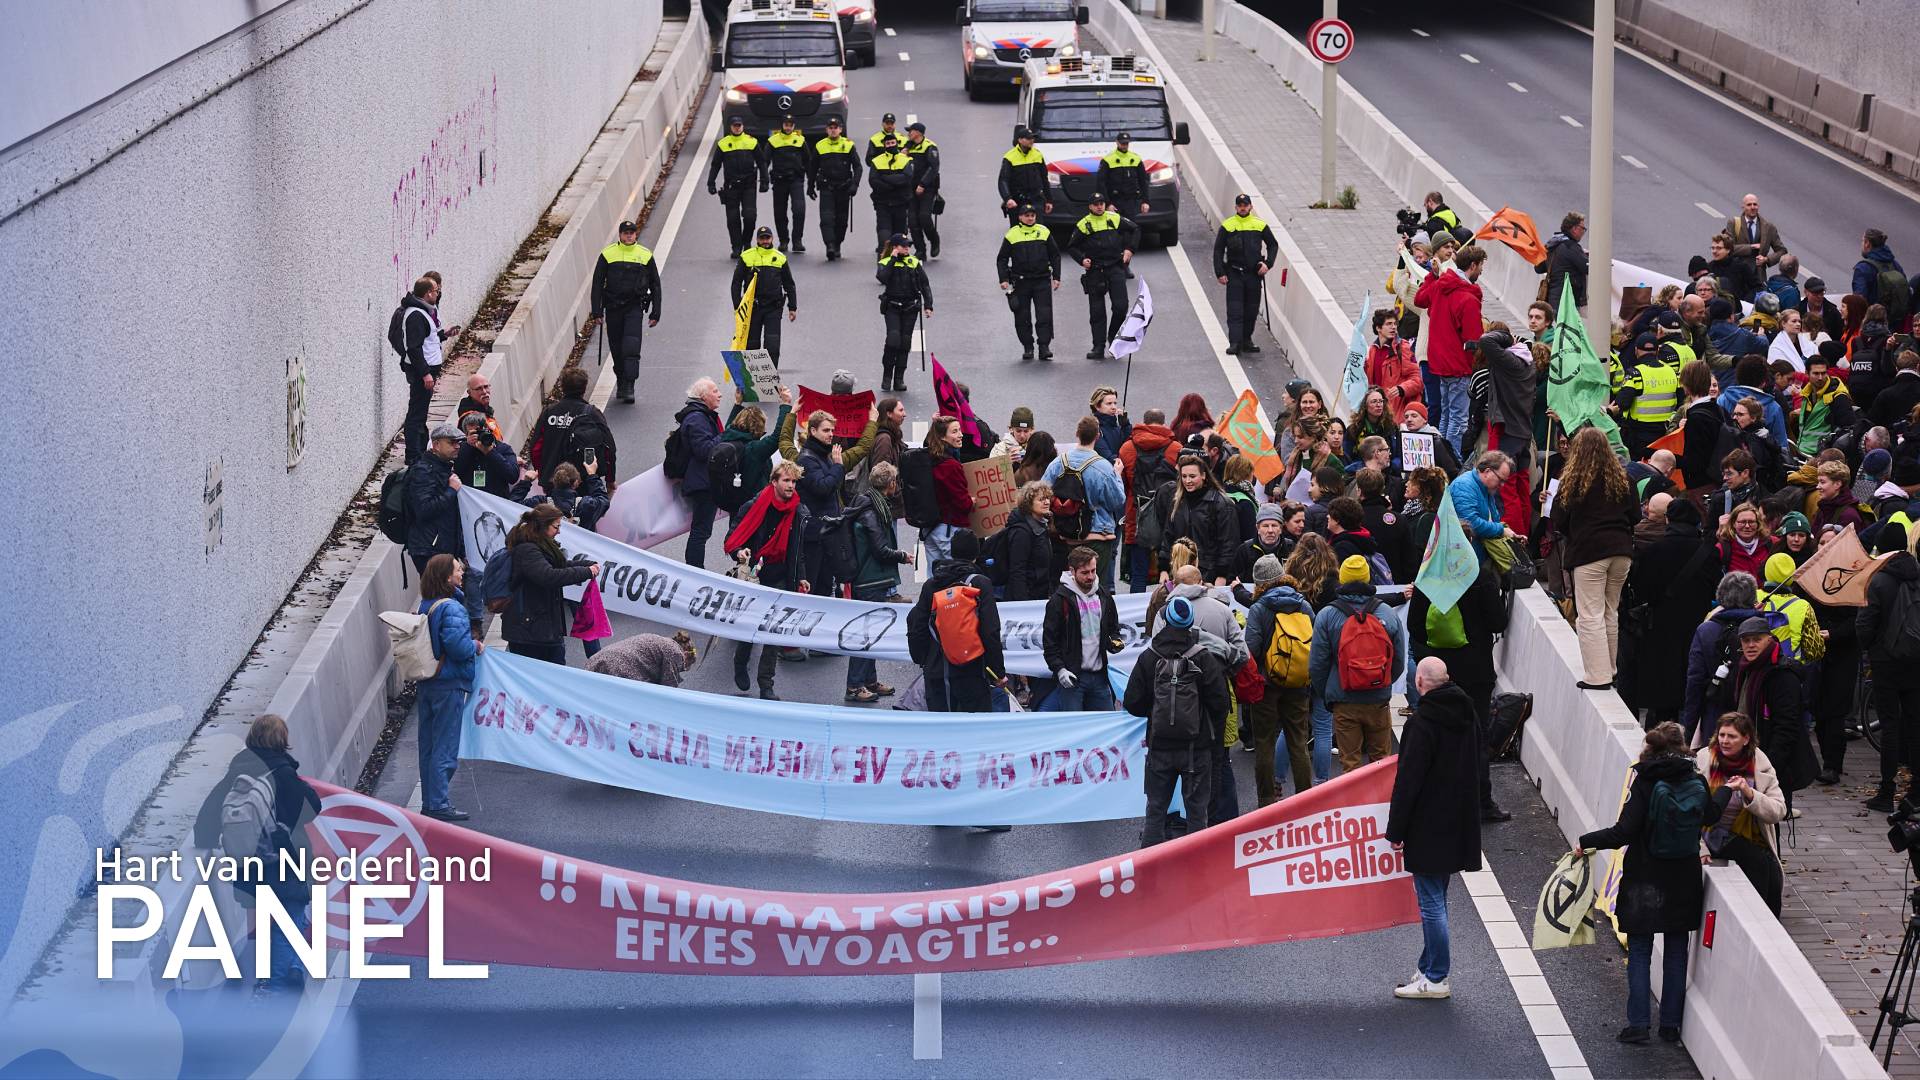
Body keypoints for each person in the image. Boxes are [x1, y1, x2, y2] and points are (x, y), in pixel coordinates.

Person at [1573, 722, 1709, 1046]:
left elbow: (1623, 832)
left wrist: (1586, 841)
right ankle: (1671, 1026)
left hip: (1645, 878)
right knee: (1676, 952)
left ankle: (1638, 1024)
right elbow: (1712, 813)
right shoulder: (1696, 780)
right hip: (1684, 878)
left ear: (1650, 748)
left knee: (1640, 951)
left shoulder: (1646, 781)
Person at [191, 713, 322, 991]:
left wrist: (207, 840)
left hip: (247, 863)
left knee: (264, 918)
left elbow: (209, 814)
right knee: (291, 913)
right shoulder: (284, 774)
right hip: (282, 860)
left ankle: (289, 967)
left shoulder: (237, 771)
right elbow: (312, 810)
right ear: (282, 740)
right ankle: (275, 984)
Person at [1386, 658, 1484, 1001]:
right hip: (1457, 820)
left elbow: (1408, 782)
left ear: (1419, 681)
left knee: (1431, 903)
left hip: (1427, 824)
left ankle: (1437, 976)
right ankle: (1427, 966)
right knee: (1437, 897)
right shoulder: (1467, 713)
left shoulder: (1422, 723)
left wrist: (1395, 830)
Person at [1409, 554, 1511, 821]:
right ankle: (1482, 804)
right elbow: (1498, 623)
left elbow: (1416, 628)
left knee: (1434, 738)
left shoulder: (1427, 579)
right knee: (1476, 738)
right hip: (1476, 670)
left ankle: (1437, 802)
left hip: (1439, 672)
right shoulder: (1481, 578)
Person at [1124, 596, 1229, 846]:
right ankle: (1196, 869)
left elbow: (1131, 701)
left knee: (1156, 811)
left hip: (1160, 747)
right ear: (1191, 624)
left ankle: (1149, 867)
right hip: (1196, 747)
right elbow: (1221, 703)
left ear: (1165, 620)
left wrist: (1156, 713)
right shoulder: (1203, 657)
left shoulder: (1149, 657)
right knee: (1196, 813)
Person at [1550, 428, 1639, 690]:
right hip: (1621, 552)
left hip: (1589, 553)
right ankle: (1610, 669)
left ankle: (1597, 675)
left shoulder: (1573, 481)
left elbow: (1559, 519)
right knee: (1610, 610)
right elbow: (1636, 516)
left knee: (1589, 614)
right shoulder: (1624, 478)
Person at [1619, 500, 1719, 726]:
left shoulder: (1654, 551)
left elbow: (1642, 589)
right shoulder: (1708, 552)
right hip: (1697, 626)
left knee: (1663, 689)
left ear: (1668, 520)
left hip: (1660, 629)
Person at [1308, 555, 1406, 774]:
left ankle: (1356, 807)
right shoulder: (1387, 613)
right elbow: (1398, 659)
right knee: (1380, 761)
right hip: (1378, 699)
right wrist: (1383, 682)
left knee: (1350, 764)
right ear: (1368, 578)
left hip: (1344, 700)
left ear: (1342, 579)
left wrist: (1328, 693)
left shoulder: (1327, 615)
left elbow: (1317, 664)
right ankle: (1382, 806)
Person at [725, 460, 812, 699]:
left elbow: (798, 549)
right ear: (774, 482)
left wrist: (801, 577)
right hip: (755, 576)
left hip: (781, 576)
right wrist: (739, 551)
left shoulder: (798, 511)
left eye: (794, 481)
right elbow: (734, 534)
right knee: (751, 627)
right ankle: (741, 662)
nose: (791, 486)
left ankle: (766, 685)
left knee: (774, 632)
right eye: (786, 480)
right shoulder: (754, 506)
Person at [907, 528, 1008, 713]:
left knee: (943, 732)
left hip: (938, 671)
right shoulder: (980, 583)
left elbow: (917, 625)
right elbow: (990, 631)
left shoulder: (932, 584)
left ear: (952, 552)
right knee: (975, 731)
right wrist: (998, 672)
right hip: (973, 671)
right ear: (976, 554)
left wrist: (924, 660)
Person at [1695, 711, 1787, 914]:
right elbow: (1686, 813)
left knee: (1772, 877)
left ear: (1746, 739)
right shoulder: (1703, 761)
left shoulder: (1760, 763)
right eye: (1722, 735)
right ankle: (1757, 918)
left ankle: (1768, 922)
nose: (1725, 741)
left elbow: (1778, 811)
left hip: (1749, 834)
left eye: (1732, 736)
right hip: (1710, 833)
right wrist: (1700, 848)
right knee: (1757, 862)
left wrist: (1749, 793)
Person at [1860, 522, 1920, 811]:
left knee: (1890, 725)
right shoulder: (1918, 575)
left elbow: (1865, 624)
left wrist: (1871, 646)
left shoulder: (1879, 580)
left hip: (1886, 661)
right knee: (1914, 722)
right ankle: (1917, 789)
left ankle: (1887, 791)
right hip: (1916, 659)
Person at [1243, 563, 1315, 802]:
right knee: (1298, 742)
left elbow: (1251, 648)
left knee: (1264, 743)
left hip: (1266, 685)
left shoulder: (1259, 608)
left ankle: (1266, 802)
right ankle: (1304, 800)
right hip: (1298, 683)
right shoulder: (1303, 605)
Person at [843, 461, 913, 702]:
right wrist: (902, 556)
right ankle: (854, 686)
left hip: (873, 578)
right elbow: (880, 550)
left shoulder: (872, 504)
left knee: (871, 633)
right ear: (891, 484)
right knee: (866, 634)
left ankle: (869, 680)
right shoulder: (872, 512)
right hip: (869, 579)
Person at [502, 504, 598, 666]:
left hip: (540, 627)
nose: (559, 531)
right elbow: (549, 575)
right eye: (556, 527)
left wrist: (586, 565)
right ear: (542, 526)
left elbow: (558, 565)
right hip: (530, 632)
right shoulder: (528, 550)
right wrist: (586, 572)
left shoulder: (538, 547)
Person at [1415, 244, 1488, 455]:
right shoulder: (1468, 298)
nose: (1481, 271)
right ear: (1472, 265)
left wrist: (1433, 276)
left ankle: (1441, 457)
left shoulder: (1441, 285)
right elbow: (1473, 339)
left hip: (1439, 363)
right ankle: (1451, 462)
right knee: (1458, 419)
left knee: (1447, 415)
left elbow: (1420, 299)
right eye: (1481, 266)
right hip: (1458, 366)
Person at [1044, 416, 1128, 588]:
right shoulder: (1104, 467)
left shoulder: (1059, 462)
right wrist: (1117, 475)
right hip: (1097, 535)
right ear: (1098, 436)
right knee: (1095, 589)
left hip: (1066, 534)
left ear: (1077, 434)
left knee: (1070, 587)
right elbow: (1117, 501)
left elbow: (1043, 491)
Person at [1042, 545, 1124, 711]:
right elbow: (1049, 642)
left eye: (1093, 571)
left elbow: (1113, 628)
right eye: (1085, 573)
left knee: (1105, 729)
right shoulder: (1059, 600)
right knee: (1074, 730)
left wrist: (1114, 642)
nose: (1091, 577)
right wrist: (1060, 670)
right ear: (1072, 571)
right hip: (1073, 678)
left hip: (1100, 676)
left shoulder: (1104, 595)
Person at [590, 219, 663, 404]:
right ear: (620, 235)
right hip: (613, 308)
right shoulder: (607, 254)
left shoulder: (645, 255)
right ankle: (621, 380)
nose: (629, 235)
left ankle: (629, 385)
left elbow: (655, 285)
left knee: (631, 347)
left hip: (634, 308)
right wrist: (596, 311)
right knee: (616, 348)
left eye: (632, 232)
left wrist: (656, 312)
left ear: (635, 234)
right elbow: (597, 284)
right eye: (625, 233)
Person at [1065, 192, 1140, 359]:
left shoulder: (1114, 218)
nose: (1099, 206)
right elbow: (1072, 247)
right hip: (1095, 272)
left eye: (1102, 203)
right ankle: (1098, 346)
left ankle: (1113, 338)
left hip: (1115, 268)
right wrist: (1082, 260)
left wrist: (1129, 249)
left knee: (1121, 306)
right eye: (1096, 204)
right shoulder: (1083, 224)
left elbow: (1135, 229)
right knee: (1097, 312)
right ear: (1090, 206)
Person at [390, 276, 455, 464]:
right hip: (421, 373)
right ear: (427, 293)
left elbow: (428, 340)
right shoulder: (416, 315)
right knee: (416, 413)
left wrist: (444, 334)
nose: (438, 294)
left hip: (425, 371)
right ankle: (413, 455)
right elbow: (414, 348)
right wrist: (425, 373)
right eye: (436, 291)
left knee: (420, 411)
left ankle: (419, 450)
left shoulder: (423, 311)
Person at [1155, 452, 1240, 585]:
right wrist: (1163, 569)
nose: (1187, 481)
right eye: (1184, 476)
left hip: (1208, 574)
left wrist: (1222, 575)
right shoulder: (1177, 502)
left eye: (1192, 476)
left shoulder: (1221, 503)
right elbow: (1168, 537)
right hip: (1179, 572)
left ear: (1204, 475)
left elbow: (1228, 543)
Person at [1120, 408, 1180, 592]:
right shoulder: (1176, 449)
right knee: (1171, 572)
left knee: (1138, 573)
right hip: (1168, 516)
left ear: (1143, 423)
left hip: (1137, 516)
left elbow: (1123, 485)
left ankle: (1137, 617)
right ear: (1163, 424)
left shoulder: (1127, 448)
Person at [529, 366, 616, 489]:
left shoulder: (549, 412)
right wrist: (610, 479)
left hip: (553, 481)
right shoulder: (592, 414)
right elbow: (609, 448)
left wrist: (542, 471)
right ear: (584, 388)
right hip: (584, 481)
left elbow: (535, 448)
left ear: (562, 387)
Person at [1212, 194, 1279, 356]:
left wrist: (1268, 264)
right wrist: (1220, 272)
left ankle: (1246, 340)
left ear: (1251, 207)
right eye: (1240, 205)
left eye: (1245, 205)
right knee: (1235, 310)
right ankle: (1235, 343)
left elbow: (1273, 245)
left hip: (1253, 275)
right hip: (1234, 273)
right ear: (1235, 207)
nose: (1243, 207)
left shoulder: (1259, 225)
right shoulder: (1228, 226)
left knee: (1251, 310)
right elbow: (1218, 250)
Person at [671, 377, 725, 570]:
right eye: (715, 391)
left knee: (701, 530)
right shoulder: (697, 418)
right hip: (702, 483)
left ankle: (695, 568)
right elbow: (704, 450)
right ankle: (695, 569)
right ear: (703, 396)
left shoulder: (702, 416)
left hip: (703, 480)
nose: (720, 394)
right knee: (700, 531)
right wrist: (726, 436)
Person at [719, 386, 793, 527]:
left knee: (737, 541)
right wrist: (785, 406)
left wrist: (737, 404)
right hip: (755, 506)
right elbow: (777, 436)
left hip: (735, 504)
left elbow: (729, 425)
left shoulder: (728, 438)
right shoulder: (754, 450)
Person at [996, 203, 1060, 361]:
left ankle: (1044, 347)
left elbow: (1055, 255)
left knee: (1044, 315)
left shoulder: (1044, 231)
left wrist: (1056, 277)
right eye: (1027, 215)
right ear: (1020, 217)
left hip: (1042, 280)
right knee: (1022, 316)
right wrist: (1003, 279)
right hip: (1021, 282)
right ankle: (1028, 347)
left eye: (1032, 215)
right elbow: (1002, 258)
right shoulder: (1012, 234)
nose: (1030, 218)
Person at [404, 423, 465, 583]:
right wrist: (451, 490)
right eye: (452, 442)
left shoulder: (443, 469)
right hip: (429, 548)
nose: (457, 446)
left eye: (459, 442)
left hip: (442, 546)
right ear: (436, 445)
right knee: (438, 595)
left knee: (446, 595)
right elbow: (424, 509)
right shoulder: (423, 471)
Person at [732, 227, 798, 366]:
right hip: (752, 309)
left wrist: (792, 307)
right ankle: (752, 379)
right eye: (762, 238)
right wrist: (738, 306)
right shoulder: (746, 256)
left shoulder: (780, 258)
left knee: (772, 346)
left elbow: (789, 284)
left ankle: (771, 378)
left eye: (767, 238)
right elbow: (736, 283)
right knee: (752, 346)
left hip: (773, 308)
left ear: (772, 239)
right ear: (757, 240)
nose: (765, 241)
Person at [875, 233, 933, 393]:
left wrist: (929, 305)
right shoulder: (886, 262)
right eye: (903, 245)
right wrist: (893, 259)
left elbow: (925, 285)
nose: (907, 248)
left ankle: (899, 378)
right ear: (895, 247)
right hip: (892, 307)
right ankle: (887, 376)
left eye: (908, 245)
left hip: (910, 308)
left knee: (904, 342)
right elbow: (883, 278)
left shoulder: (914, 263)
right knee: (893, 339)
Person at [706, 115, 766, 257]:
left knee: (750, 216)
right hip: (731, 187)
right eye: (734, 126)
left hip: (749, 186)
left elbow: (761, 162)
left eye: (739, 125)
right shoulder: (723, 144)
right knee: (733, 219)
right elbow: (715, 165)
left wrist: (765, 180)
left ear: (743, 126)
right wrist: (711, 182)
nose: (737, 128)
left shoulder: (751, 142)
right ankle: (736, 247)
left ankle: (746, 242)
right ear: (730, 127)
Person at [1617, 333, 1679, 461]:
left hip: (1639, 435)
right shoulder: (1671, 371)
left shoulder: (1635, 373)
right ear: (1657, 351)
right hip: (1665, 432)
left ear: (1636, 350)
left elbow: (1623, 403)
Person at [1448, 451, 1521, 560]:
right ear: (1487, 471)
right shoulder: (1464, 486)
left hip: (1476, 557)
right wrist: (1501, 530)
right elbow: (1470, 524)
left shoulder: (1486, 488)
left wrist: (1511, 534)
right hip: (1463, 561)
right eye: (1500, 480)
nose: (1502, 485)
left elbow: (1493, 521)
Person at [809, 117, 861, 261]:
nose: (833, 130)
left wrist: (855, 184)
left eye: (835, 127)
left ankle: (837, 243)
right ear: (827, 130)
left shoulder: (848, 145)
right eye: (830, 128)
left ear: (840, 129)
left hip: (844, 188)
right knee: (826, 219)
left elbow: (858, 167)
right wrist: (810, 186)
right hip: (826, 188)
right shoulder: (820, 145)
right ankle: (830, 245)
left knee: (841, 220)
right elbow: (812, 167)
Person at [1366, 309, 1423, 423]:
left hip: (1397, 414)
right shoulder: (1372, 350)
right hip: (1377, 414)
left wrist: (1402, 388)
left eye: (1395, 324)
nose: (1393, 327)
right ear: (1378, 328)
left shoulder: (1403, 347)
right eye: (1388, 324)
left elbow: (1418, 379)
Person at [1003, 480, 1056, 602]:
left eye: (1048, 498)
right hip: (1027, 598)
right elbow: (1017, 570)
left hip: (1039, 593)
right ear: (1028, 503)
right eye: (1041, 499)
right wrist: (1023, 604)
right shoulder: (1021, 532)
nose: (1047, 502)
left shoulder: (1042, 526)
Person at [587, 631, 697, 688]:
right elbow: (667, 687)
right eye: (683, 666)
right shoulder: (676, 653)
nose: (680, 669)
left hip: (600, 658)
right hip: (618, 669)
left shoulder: (662, 641)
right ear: (685, 654)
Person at [1794, 351, 1854, 456]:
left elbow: (1847, 432)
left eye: (1824, 373)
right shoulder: (1806, 394)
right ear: (1807, 373)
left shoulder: (1838, 397)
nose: (1820, 377)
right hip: (1803, 452)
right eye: (1816, 373)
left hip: (1821, 458)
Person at [764, 114, 809, 252]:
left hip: (796, 180)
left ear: (794, 126)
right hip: (779, 181)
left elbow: (808, 162)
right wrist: (763, 180)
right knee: (779, 212)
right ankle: (783, 240)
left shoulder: (800, 141)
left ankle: (797, 240)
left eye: (790, 125)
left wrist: (812, 182)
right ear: (782, 125)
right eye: (786, 124)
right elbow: (764, 162)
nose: (788, 127)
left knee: (799, 210)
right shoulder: (773, 141)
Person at [867, 132, 914, 257]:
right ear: (884, 145)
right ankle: (884, 260)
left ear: (897, 144)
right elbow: (873, 180)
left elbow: (907, 177)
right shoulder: (877, 161)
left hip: (901, 202)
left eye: (893, 143)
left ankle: (901, 260)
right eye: (888, 143)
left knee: (900, 234)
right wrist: (892, 186)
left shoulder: (905, 160)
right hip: (883, 203)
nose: (890, 145)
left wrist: (886, 179)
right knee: (884, 234)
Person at [902, 121, 942, 260]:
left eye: (911, 131)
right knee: (912, 221)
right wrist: (903, 153)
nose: (908, 134)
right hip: (911, 188)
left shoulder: (930, 147)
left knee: (924, 217)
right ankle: (920, 250)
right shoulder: (908, 147)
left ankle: (934, 240)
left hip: (927, 188)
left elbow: (933, 168)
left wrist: (923, 184)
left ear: (918, 133)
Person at [997, 126, 1049, 222]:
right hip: (1017, 201)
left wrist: (1049, 200)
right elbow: (1003, 180)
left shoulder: (1038, 154)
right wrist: (1008, 199)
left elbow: (1044, 178)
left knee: (1038, 230)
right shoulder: (1009, 157)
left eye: (1033, 138)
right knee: (1017, 231)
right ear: (1020, 140)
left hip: (1036, 199)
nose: (1031, 140)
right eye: (1028, 138)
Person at [1853, 227, 1908, 319]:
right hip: (1896, 321)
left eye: (1862, 241)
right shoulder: (1895, 264)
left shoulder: (1863, 268)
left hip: (1873, 322)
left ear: (1867, 243)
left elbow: (1859, 302)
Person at [1539, 211, 1588, 310]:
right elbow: (1586, 267)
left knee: (1559, 325)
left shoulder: (1552, 244)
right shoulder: (1571, 247)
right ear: (1574, 228)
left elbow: (1539, 268)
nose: (1584, 231)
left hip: (1553, 298)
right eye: (1583, 228)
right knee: (1569, 326)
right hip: (1567, 300)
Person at [1097, 131, 1151, 217]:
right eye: (1122, 143)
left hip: (1131, 202)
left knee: (1131, 227)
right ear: (1117, 142)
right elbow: (1101, 184)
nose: (1124, 145)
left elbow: (1143, 181)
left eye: (1126, 143)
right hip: (1114, 202)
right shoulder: (1108, 159)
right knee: (1115, 229)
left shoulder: (1135, 158)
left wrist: (1145, 201)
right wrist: (1107, 204)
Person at [1090, 386, 1131, 463]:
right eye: (1109, 404)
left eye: (1115, 403)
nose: (1114, 407)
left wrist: (1126, 426)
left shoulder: (1116, 426)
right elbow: (1109, 458)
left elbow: (1129, 448)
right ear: (1097, 406)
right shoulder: (1094, 428)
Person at [1800, 275, 1845, 341]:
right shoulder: (1797, 311)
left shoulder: (1833, 312)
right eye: (1815, 294)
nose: (1819, 297)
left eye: (1822, 293)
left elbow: (1839, 336)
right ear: (1806, 292)